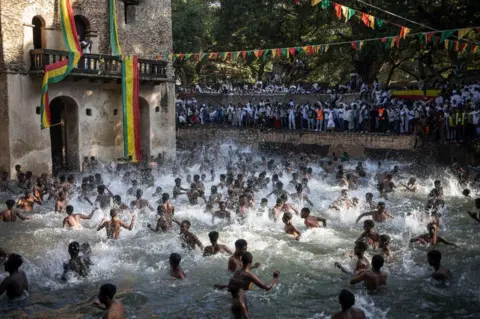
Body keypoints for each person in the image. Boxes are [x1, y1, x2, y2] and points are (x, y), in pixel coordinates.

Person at [214, 252, 279, 319]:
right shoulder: (249, 276)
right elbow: (267, 287)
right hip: (240, 302)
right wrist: (275, 278)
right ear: (251, 261)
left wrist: (223, 286)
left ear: (241, 260)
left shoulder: (237, 270)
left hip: (234, 302)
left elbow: (234, 284)